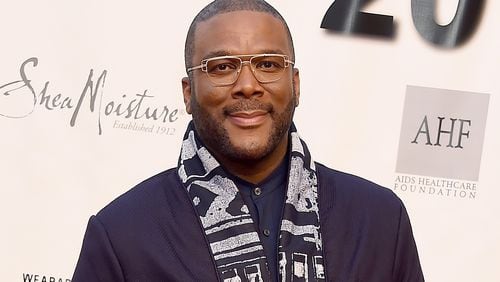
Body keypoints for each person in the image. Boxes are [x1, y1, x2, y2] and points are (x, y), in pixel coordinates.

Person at [72, 1, 424, 281]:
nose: (248, 84)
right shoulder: (122, 234)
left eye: (268, 64)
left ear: (295, 85)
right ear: (188, 93)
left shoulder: (379, 219)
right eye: (222, 67)